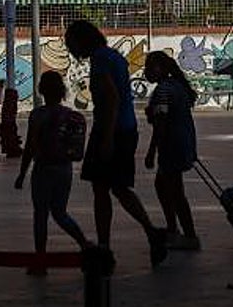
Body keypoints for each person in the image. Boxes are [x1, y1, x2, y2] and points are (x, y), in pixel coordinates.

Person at [64, 20, 168, 267]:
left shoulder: (100, 60)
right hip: (126, 128)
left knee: (101, 190)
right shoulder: (114, 57)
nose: (70, 47)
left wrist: (107, 138)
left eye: (71, 42)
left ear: (80, 41)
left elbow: (111, 98)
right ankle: (151, 233)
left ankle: (104, 246)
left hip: (111, 130)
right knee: (119, 188)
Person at [15, 71, 89, 275]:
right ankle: (84, 244)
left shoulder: (38, 115)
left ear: (41, 90)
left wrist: (22, 174)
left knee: (41, 215)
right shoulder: (70, 115)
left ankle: (41, 260)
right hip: (64, 169)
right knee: (60, 213)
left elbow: (30, 147)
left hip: (43, 170)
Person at [143, 50, 200, 250]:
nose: (146, 71)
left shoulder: (163, 91)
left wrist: (151, 152)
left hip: (171, 146)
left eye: (150, 67)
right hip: (183, 143)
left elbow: (161, 124)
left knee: (175, 191)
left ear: (162, 69)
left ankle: (188, 235)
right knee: (164, 185)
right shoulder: (177, 86)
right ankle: (173, 229)